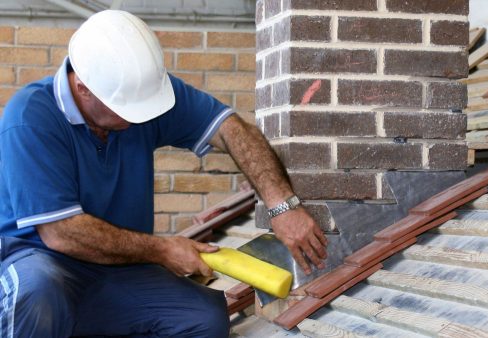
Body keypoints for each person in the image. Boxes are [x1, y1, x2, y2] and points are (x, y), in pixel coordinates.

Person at [0, 10, 327, 338]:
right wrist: (163, 249)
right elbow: (62, 233)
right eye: (127, 110)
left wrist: (282, 205)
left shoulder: (143, 93)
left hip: (116, 269)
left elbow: (232, 129)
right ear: (83, 88)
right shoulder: (30, 118)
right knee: (37, 293)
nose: (138, 118)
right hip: (39, 261)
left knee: (203, 316)